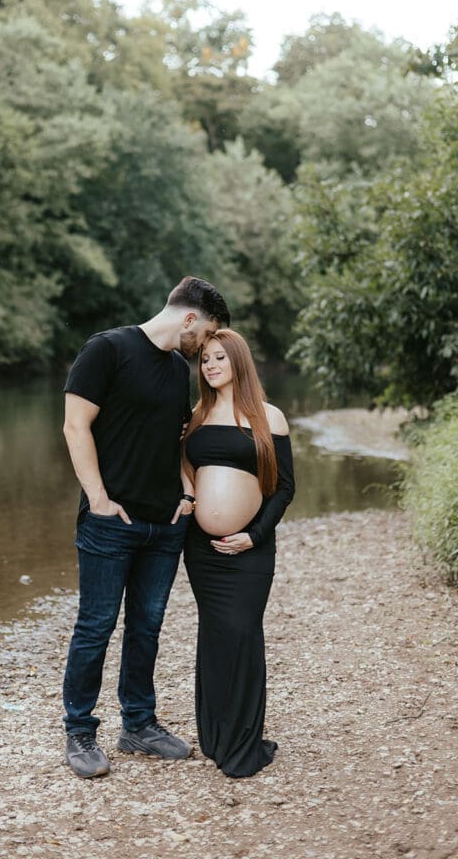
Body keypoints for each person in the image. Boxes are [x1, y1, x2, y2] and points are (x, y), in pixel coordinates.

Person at [61, 276, 231, 778]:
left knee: (146, 628)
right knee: (95, 627)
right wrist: (98, 499)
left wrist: (185, 491)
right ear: (189, 319)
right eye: (208, 333)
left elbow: (175, 439)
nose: (207, 347)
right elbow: (75, 426)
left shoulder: (179, 371)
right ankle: (79, 731)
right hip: (110, 523)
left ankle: (138, 724)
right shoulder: (107, 349)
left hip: (165, 526)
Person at [181, 329, 295, 778]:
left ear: (238, 362)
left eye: (219, 358)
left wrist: (255, 534)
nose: (209, 366)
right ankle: (215, 734)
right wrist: (189, 493)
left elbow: (285, 488)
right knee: (214, 633)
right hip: (202, 549)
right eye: (205, 359)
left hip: (251, 549)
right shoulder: (196, 415)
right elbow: (183, 464)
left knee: (243, 632)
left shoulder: (268, 417)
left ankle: (244, 740)